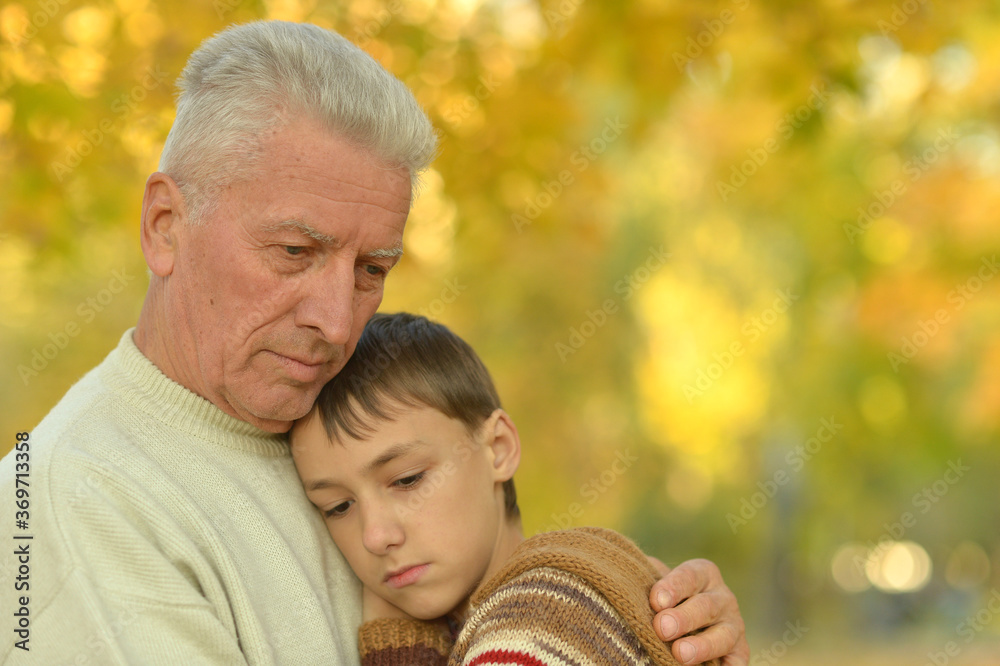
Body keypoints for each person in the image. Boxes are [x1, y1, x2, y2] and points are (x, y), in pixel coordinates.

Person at [0, 20, 747, 665]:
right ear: (166, 225)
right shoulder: (71, 503)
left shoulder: (339, 423)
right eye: (294, 251)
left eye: (372, 268)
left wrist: (658, 618)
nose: (335, 319)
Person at [290, 312, 723, 665]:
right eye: (338, 506)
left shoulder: (548, 616)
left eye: (407, 480)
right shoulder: (488, 618)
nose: (375, 536)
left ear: (498, 449)